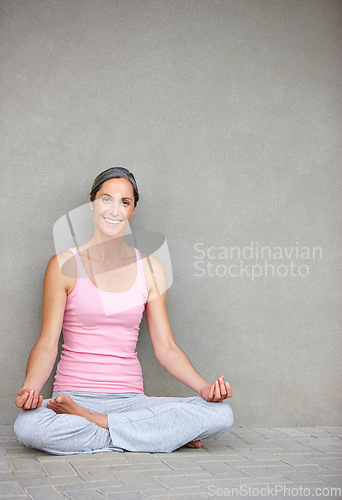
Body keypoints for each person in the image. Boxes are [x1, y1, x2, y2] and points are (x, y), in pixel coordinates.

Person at [13, 167, 233, 455]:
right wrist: (30, 390)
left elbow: (166, 347)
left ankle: (99, 423)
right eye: (106, 199)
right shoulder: (63, 265)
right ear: (91, 202)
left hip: (130, 401)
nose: (114, 210)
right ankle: (150, 435)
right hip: (71, 398)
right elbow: (47, 344)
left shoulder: (151, 269)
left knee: (221, 414)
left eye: (124, 202)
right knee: (28, 426)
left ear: (133, 210)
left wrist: (205, 390)